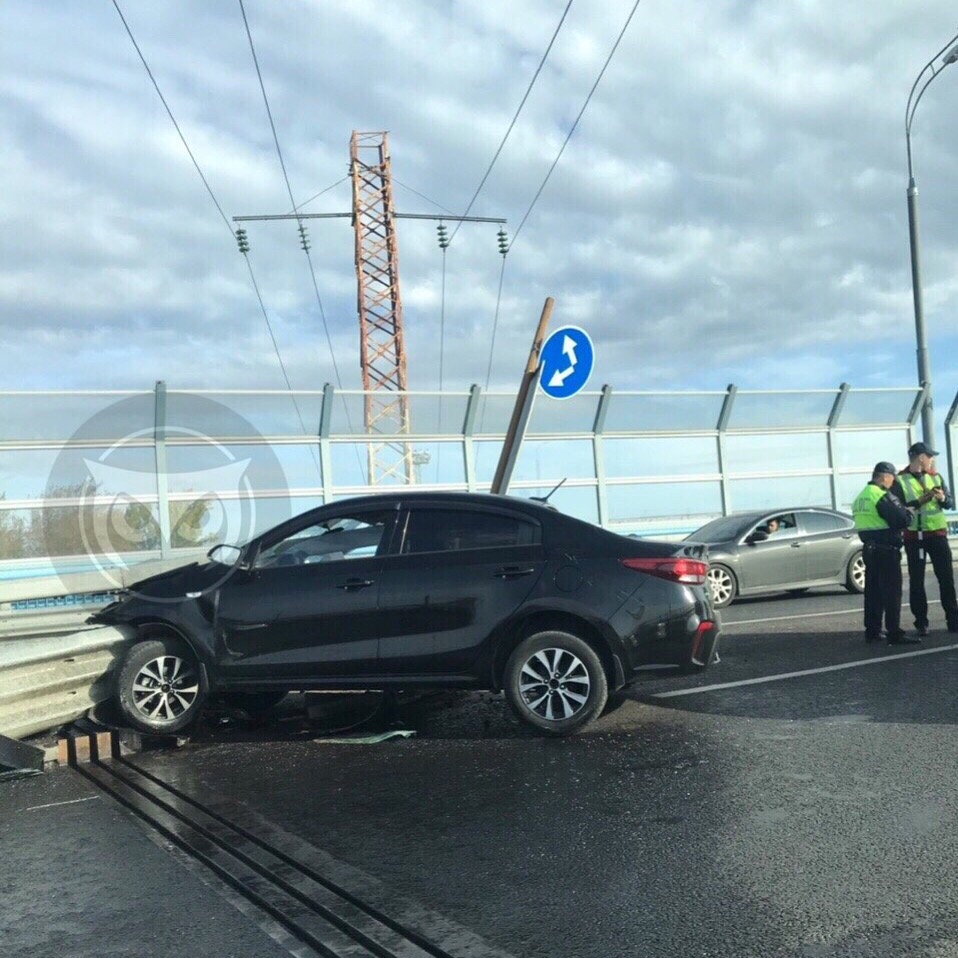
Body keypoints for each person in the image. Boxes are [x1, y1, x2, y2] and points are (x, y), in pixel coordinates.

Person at [892, 441, 958, 635]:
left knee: (946, 579)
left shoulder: (936, 476)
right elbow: (899, 508)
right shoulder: (900, 480)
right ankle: (921, 622)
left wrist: (941, 498)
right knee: (917, 581)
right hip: (915, 537)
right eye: (930, 456)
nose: (932, 460)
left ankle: (953, 620)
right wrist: (921, 500)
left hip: (937, 534)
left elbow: (950, 503)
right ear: (921, 457)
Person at [852, 462, 917, 645]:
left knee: (873, 592)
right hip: (886, 549)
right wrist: (909, 514)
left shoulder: (860, 497)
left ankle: (872, 631)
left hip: (869, 550)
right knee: (891, 593)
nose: (893, 481)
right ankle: (894, 632)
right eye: (892, 477)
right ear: (884, 477)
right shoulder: (880, 495)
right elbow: (901, 519)